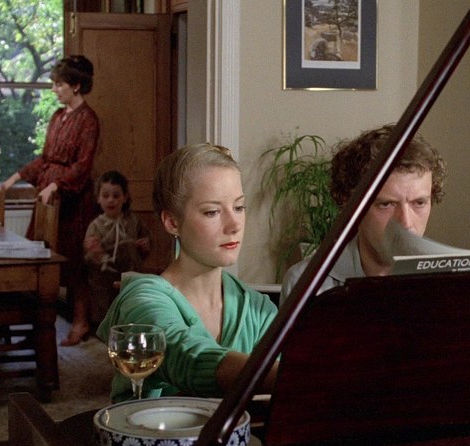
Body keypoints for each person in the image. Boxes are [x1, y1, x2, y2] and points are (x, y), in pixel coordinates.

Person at [96, 143, 279, 402]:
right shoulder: (142, 301)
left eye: (239, 207)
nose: (234, 224)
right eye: (212, 212)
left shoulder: (259, 310)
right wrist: (296, 375)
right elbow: (186, 357)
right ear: (172, 222)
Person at [0, 54, 100, 346]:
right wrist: (14, 178)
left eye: (59, 84)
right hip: (46, 199)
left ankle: (80, 323)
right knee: (39, 262)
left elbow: (82, 166)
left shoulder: (88, 120)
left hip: (72, 202)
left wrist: (56, 184)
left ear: (76, 86)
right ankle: (37, 326)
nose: (54, 89)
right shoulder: (57, 116)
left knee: (74, 265)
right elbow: (45, 158)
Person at [280, 124, 447, 303]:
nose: (406, 223)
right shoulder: (306, 284)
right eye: (386, 204)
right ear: (352, 207)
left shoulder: (449, 282)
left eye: (419, 203)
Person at [83, 170, 151, 325]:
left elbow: (146, 238)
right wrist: (94, 251)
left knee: (130, 310)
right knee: (105, 313)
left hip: (130, 275)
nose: (111, 200)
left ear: (125, 197)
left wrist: (145, 244)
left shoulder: (133, 221)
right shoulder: (96, 225)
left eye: (116, 195)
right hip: (103, 281)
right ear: (98, 198)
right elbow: (89, 253)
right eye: (105, 196)